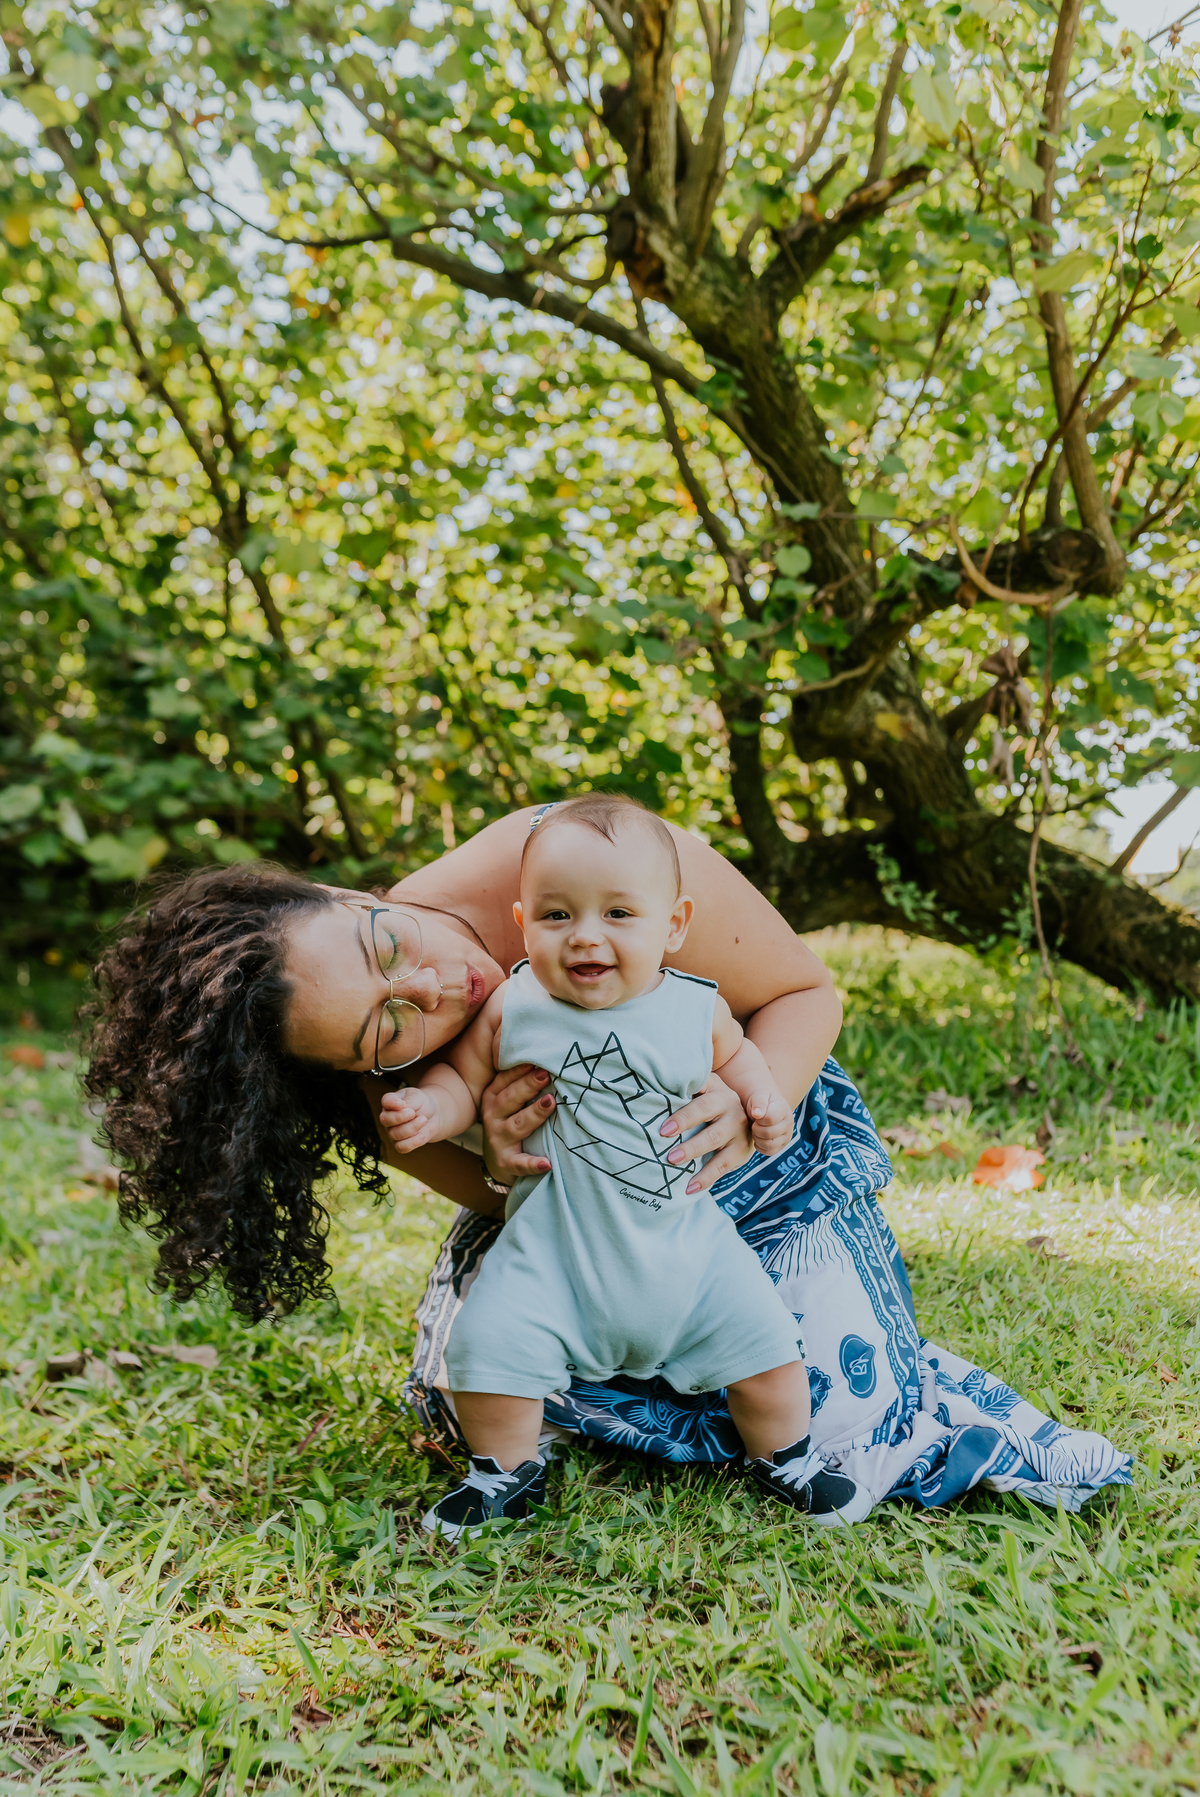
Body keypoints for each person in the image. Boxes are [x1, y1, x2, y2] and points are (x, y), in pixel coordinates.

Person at [85, 800, 1133, 1519]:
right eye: (388, 1026)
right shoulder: (380, 1081)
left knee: (845, 1411)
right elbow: (494, 1199)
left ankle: (767, 1401)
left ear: (339, 891)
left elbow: (807, 993)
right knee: (476, 1386)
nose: (437, 991)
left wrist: (744, 1104)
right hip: (584, 1213)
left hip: (762, 1137)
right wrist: (498, 1159)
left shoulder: (585, 858)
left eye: (390, 947)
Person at [381, 794, 875, 1536]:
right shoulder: (514, 1006)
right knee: (487, 1346)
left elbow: (743, 1062)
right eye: (556, 915)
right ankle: (503, 1473)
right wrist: (432, 1106)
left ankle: (786, 1457)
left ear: (673, 925)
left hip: (692, 1254)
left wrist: (763, 1103)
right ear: (522, 923)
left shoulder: (696, 1008)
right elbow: (464, 1082)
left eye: (618, 913)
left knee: (770, 1348)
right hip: (550, 1256)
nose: (586, 935)